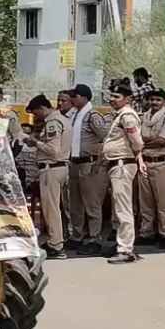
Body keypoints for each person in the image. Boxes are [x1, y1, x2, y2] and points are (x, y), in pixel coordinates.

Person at [100, 84, 146, 264]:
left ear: (127, 99)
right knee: (119, 208)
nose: (112, 99)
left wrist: (138, 156)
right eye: (111, 96)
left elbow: (137, 142)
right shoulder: (120, 115)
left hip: (122, 165)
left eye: (117, 96)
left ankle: (126, 249)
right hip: (117, 164)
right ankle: (123, 243)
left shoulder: (127, 116)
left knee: (123, 207)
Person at [25, 94, 71, 259]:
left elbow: (53, 150)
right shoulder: (63, 119)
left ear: (42, 108)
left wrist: (35, 142)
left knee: (51, 210)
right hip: (60, 167)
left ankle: (56, 245)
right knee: (57, 209)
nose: (36, 117)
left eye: (36, 113)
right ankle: (56, 240)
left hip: (51, 167)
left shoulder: (53, 122)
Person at [67, 83, 109, 255]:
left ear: (84, 97)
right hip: (75, 162)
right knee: (75, 203)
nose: (72, 99)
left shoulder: (92, 115)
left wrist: (100, 158)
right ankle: (77, 235)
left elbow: (105, 137)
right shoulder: (75, 115)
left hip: (89, 163)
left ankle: (94, 237)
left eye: (75, 96)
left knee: (92, 203)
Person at [137, 88, 165, 248]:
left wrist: (142, 142)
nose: (154, 102)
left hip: (161, 162)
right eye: (152, 99)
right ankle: (147, 233)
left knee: (163, 202)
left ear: (164, 102)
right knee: (145, 202)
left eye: (158, 100)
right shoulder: (142, 117)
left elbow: (163, 140)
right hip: (144, 161)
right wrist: (144, 141)